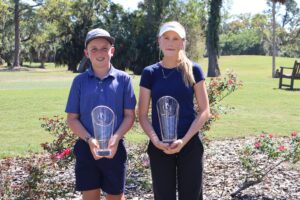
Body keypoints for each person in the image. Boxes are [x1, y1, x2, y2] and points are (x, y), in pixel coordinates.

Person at [138, 21, 210, 200]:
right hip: (159, 146)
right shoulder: (150, 73)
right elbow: (142, 115)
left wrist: (184, 141)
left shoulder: (194, 69)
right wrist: (155, 141)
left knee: (191, 196)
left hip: (190, 144)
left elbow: (204, 111)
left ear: (183, 42)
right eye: (166, 38)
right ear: (159, 41)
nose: (170, 43)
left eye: (176, 38)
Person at [65, 28, 136, 200]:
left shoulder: (124, 79)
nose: (99, 52)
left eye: (104, 48)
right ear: (86, 53)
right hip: (86, 146)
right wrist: (90, 140)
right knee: (90, 196)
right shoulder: (79, 81)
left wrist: (116, 138)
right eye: (94, 49)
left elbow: (129, 116)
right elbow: (72, 119)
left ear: (112, 51)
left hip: (115, 146)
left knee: (116, 196)